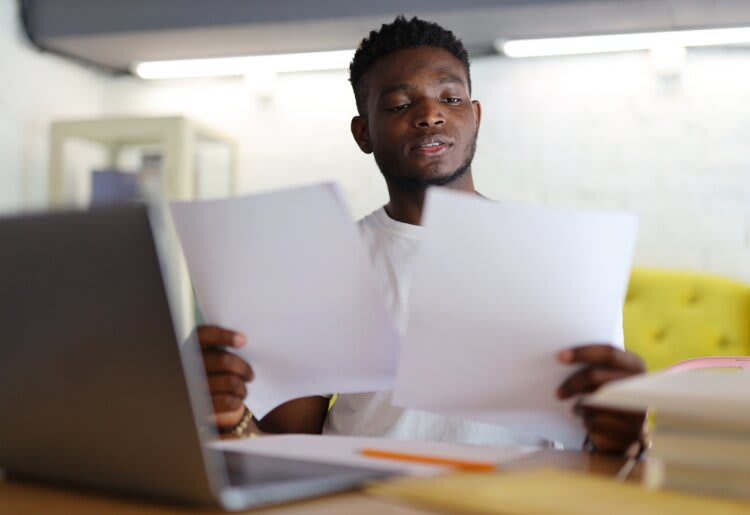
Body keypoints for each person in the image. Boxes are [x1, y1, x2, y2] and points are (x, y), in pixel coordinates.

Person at [197, 16, 646, 454]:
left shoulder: (564, 255)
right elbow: (290, 447)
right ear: (363, 132)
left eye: (450, 99)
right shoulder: (328, 264)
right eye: (398, 105)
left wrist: (626, 433)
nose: (430, 114)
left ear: (475, 116)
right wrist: (227, 414)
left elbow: (602, 439)